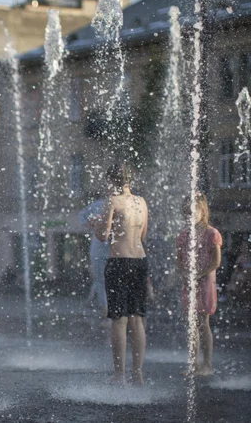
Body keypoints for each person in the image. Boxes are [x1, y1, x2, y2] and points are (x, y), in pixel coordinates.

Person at [95, 161, 148, 386]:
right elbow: (142, 235)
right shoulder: (141, 202)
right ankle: (138, 374)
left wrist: (96, 223)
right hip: (140, 261)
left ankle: (120, 375)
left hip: (119, 262)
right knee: (137, 318)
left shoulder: (112, 201)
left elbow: (103, 235)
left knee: (119, 320)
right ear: (129, 179)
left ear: (111, 180)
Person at [177, 193, 222, 376]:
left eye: (191, 213)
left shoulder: (212, 233)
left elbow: (216, 262)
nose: (188, 217)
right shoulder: (183, 235)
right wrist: (184, 275)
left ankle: (207, 365)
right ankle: (193, 365)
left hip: (205, 282)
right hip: (190, 282)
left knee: (203, 323)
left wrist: (198, 275)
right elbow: (179, 262)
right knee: (192, 324)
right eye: (185, 213)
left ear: (202, 212)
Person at [79, 192, 110, 325]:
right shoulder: (99, 205)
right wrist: (90, 224)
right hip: (105, 248)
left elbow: (81, 216)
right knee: (102, 281)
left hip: (105, 249)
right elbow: (82, 216)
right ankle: (106, 310)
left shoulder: (101, 205)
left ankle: (106, 310)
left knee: (102, 281)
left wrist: (88, 224)